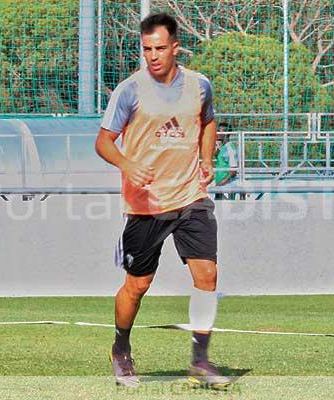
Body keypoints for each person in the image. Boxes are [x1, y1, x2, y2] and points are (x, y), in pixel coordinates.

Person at [94, 13, 230, 389]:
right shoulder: (130, 90)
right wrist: (127, 164)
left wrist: (206, 158)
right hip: (146, 205)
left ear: (175, 47)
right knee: (138, 285)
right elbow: (103, 141)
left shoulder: (200, 85)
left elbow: (208, 120)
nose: (152, 56)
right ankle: (120, 348)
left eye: (159, 48)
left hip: (191, 197)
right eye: (146, 49)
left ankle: (200, 361)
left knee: (207, 276)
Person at [214, 122, 239, 200]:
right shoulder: (223, 147)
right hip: (219, 184)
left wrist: (220, 184)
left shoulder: (230, 148)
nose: (218, 133)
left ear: (227, 133)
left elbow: (233, 171)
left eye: (220, 131)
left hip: (226, 186)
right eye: (218, 130)